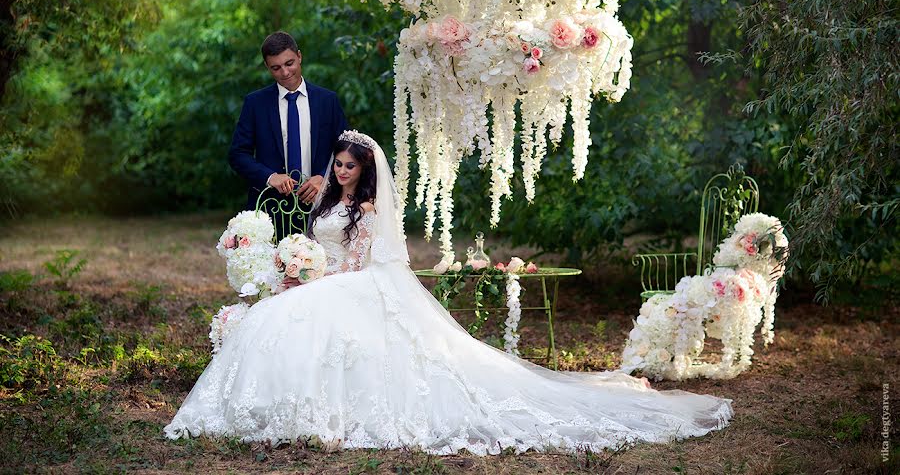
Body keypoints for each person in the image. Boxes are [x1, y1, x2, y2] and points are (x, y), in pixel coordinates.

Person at [166, 131, 733, 455]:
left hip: (353, 283)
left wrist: (321, 277)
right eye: (336, 164)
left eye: (348, 166)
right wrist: (302, 269)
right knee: (275, 321)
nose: (340, 171)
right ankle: (268, 409)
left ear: (365, 171)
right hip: (323, 280)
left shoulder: (366, 208)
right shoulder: (327, 204)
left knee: (301, 320)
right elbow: (322, 247)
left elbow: (364, 260)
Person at [228, 31, 348, 235]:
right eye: (276, 67)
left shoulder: (327, 100)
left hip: (322, 206)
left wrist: (324, 178)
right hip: (269, 210)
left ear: (299, 56)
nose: (285, 72)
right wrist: (269, 176)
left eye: (289, 63)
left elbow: (347, 150)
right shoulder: (255, 103)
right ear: (267, 67)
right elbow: (237, 155)